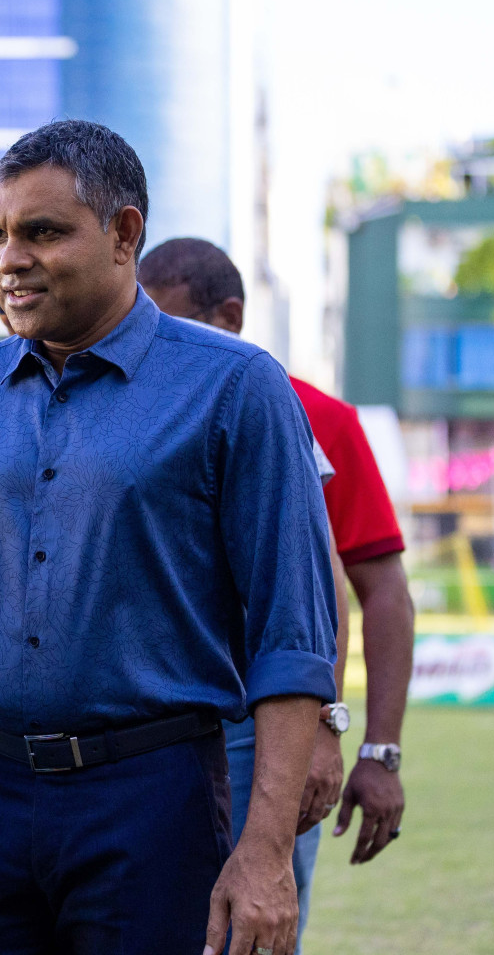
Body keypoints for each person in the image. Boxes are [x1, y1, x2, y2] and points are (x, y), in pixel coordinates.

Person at [0, 120, 338, 955]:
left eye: (42, 232)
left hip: (153, 804)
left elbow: (292, 635)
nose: (7, 258)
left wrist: (265, 854)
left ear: (125, 234)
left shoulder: (238, 390)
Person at [139, 236, 415, 948]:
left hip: (265, 724)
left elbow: (365, 589)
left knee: (250, 926)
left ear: (230, 315)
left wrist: (362, 743)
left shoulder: (316, 416)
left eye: (174, 321)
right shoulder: (135, 411)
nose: (156, 340)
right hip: (151, 725)